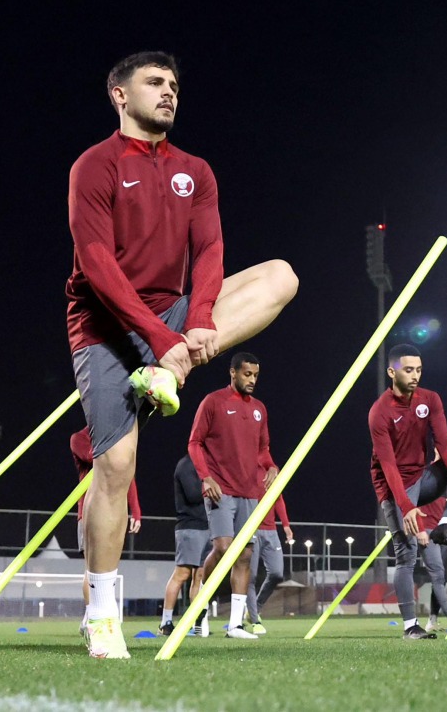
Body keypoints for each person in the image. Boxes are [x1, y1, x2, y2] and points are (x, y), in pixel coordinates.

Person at [66, 51, 297, 658]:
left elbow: (212, 251)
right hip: (106, 325)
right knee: (115, 468)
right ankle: (102, 613)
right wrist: (165, 341)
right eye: (154, 82)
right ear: (119, 94)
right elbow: (97, 267)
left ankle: (166, 372)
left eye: (173, 84)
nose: (168, 92)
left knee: (280, 276)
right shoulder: (95, 165)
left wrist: (193, 329)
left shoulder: (196, 169)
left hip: (172, 323)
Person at [370, 343, 447, 640]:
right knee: (406, 556)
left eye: (418, 369)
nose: (415, 375)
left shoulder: (430, 400)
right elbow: (388, 465)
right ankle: (410, 627)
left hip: (423, 477)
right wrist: (406, 507)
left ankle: (443, 526)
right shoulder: (379, 412)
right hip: (394, 488)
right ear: (392, 372)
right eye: (408, 370)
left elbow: (444, 443)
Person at [190, 352, 279, 640]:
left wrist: (271, 465)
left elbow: (263, 449)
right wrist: (206, 476)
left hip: (249, 493)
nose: (252, 380)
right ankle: (200, 606)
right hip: (220, 490)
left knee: (245, 555)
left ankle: (236, 625)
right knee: (225, 548)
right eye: (247, 374)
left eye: (255, 375)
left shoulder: (259, 409)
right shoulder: (213, 402)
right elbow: (194, 443)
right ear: (233, 373)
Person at [70, 427, 141, 629]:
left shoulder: (114, 436)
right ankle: (91, 615)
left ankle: (99, 615)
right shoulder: (79, 438)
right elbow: (103, 458)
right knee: (91, 568)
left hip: (115, 512)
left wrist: (135, 510)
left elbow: (126, 475)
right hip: (89, 512)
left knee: (109, 567)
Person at [160, 454, 210, 637]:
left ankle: (195, 623)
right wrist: (215, 484)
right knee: (182, 574)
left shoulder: (207, 464)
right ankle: (165, 622)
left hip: (207, 526)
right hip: (190, 527)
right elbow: (193, 494)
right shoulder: (186, 464)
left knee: (199, 577)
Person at [246, 477, 293, 634]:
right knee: (250, 576)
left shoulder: (271, 469)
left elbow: (278, 498)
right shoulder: (248, 464)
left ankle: (256, 607)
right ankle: (255, 620)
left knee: (277, 573)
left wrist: (285, 525)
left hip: (271, 531)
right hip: (251, 529)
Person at [418, 494, 447, 632]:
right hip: (426, 533)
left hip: (442, 535)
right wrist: (420, 530)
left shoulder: (445, 491)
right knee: (437, 576)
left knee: (440, 577)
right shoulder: (423, 486)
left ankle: (433, 620)